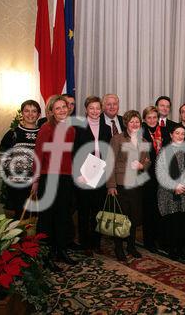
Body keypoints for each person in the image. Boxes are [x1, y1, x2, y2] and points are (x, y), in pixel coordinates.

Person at [32, 95, 77, 270]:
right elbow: (38, 154)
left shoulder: (71, 129)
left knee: (63, 216)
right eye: (57, 108)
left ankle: (61, 250)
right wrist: (36, 180)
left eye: (64, 107)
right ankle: (45, 256)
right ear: (51, 111)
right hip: (48, 177)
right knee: (46, 219)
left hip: (65, 178)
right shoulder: (46, 128)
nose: (62, 110)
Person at [106, 110, 151, 261]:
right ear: (126, 123)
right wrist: (111, 185)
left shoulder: (144, 141)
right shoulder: (117, 139)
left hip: (137, 185)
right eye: (131, 121)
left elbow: (148, 161)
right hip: (120, 185)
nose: (135, 124)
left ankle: (131, 246)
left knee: (134, 217)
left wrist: (142, 166)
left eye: (137, 121)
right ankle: (119, 248)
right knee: (121, 219)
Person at [72, 96, 110, 256]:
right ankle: (85, 243)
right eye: (91, 108)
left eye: (97, 108)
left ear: (101, 110)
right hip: (83, 174)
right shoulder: (78, 127)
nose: (95, 111)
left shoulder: (106, 128)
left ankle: (96, 242)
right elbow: (73, 152)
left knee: (98, 210)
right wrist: (79, 174)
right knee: (84, 210)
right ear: (86, 110)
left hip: (100, 174)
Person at [157, 124, 185, 260]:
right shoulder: (164, 151)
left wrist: (184, 186)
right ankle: (172, 249)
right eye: (177, 133)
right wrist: (174, 187)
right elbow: (160, 173)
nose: (180, 136)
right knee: (172, 223)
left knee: (183, 223)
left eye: (182, 134)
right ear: (171, 135)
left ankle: (181, 249)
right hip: (168, 194)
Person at [0, 100, 41, 219]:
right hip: (17, 185)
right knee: (19, 219)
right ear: (22, 113)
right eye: (27, 111)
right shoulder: (12, 134)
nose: (30, 114)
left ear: (39, 114)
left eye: (34, 111)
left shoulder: (43, 133)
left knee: (37, 219)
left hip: (38, 184)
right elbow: (3, 159)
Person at [141, 106, 164, 253]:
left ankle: (159, 239)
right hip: (147, 177)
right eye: (149, 117)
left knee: (160, 209)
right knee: (148, 210)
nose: (152, 120)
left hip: (162, 177)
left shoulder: (164, 131)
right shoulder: (140, 132)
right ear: (144, 119)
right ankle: (149, 241)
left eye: (154, 117)